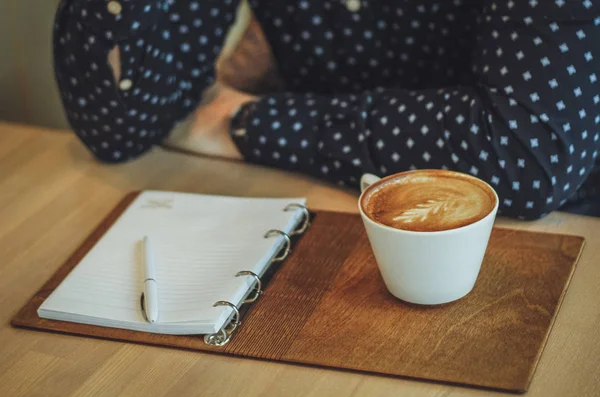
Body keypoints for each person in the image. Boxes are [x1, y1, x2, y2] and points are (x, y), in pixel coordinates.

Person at [52, 0, 600, 219]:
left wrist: (247, 124)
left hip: (554, 238)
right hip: (328, 211)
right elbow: (124, 123)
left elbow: (527, 155)